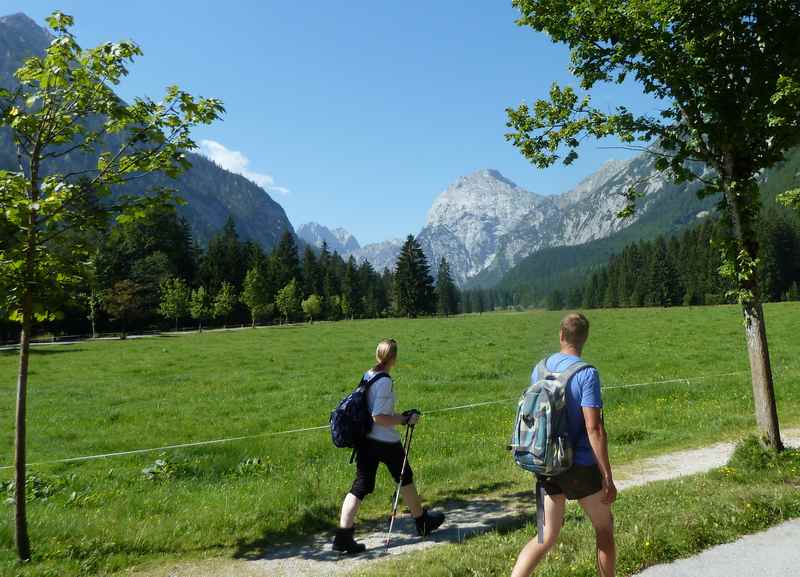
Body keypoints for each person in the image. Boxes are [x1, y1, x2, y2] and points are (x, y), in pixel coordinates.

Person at [511, 313, 617, 577]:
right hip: (579, 465)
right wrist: (607, 475)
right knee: (604, 528)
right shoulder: (587, 374)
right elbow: (594, 428)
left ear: (561, 335)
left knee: (544, 537)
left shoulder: (540, 368)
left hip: (545, 461)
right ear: (585, 339)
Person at [332, 338, 445, 554]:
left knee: (361, 486)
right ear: (393, 357)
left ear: (378, 355)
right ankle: (422, 522)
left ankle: (343, 536)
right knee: (406, 477)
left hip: (365, 439)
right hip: (384, 440)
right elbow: (379, 417)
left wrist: (400, 416)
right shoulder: (384, 381)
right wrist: (404, 420)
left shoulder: (369, 374)